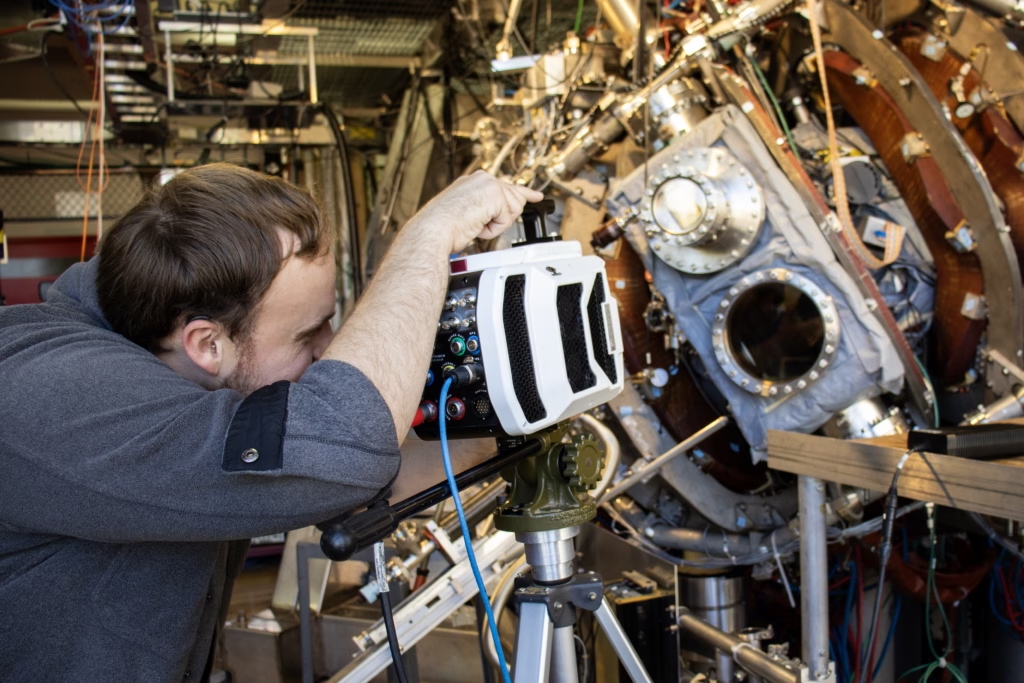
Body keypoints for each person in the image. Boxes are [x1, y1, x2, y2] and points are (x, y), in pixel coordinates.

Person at [0, 163, 542, 681]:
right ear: (208, 344)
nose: (329, 351)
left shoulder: (160, 335)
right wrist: (427, 238)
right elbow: (343, 441)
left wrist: (520, 404)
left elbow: (355, 471)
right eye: (308, 335)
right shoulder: (53, 397)